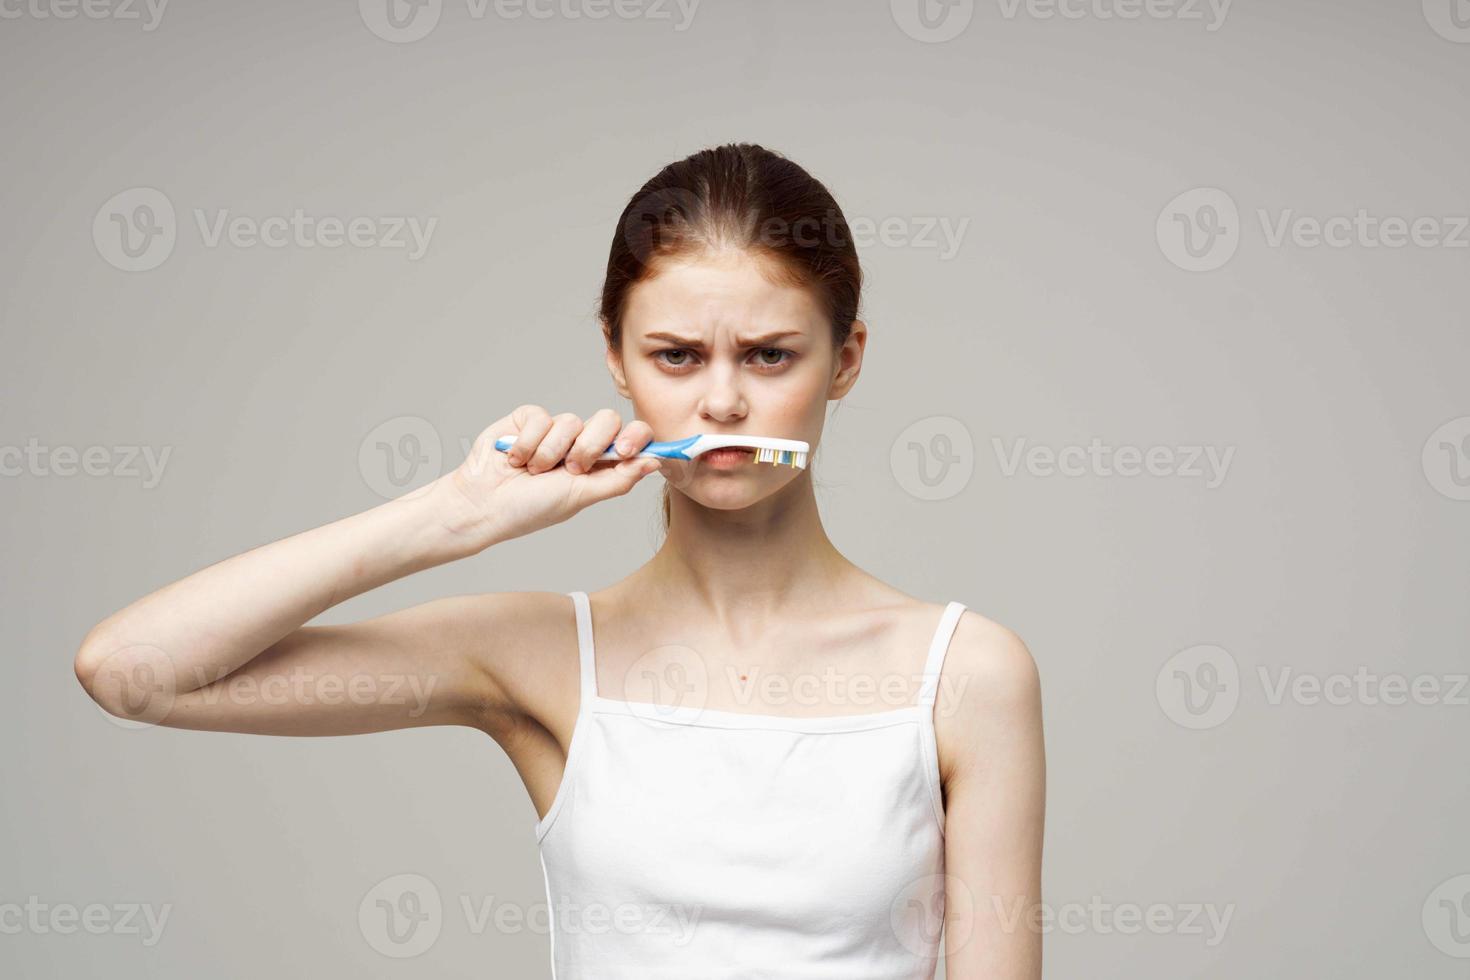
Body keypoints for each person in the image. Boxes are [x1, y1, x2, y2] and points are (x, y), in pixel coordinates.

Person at [74, 142, 1045, 979]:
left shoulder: (966, 672)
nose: (721, 403)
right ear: (615, 358)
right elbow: (131, 672)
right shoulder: (537, 652)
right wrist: (453, 515)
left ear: (846, 359)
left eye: (768, 354)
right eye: (674, 355)